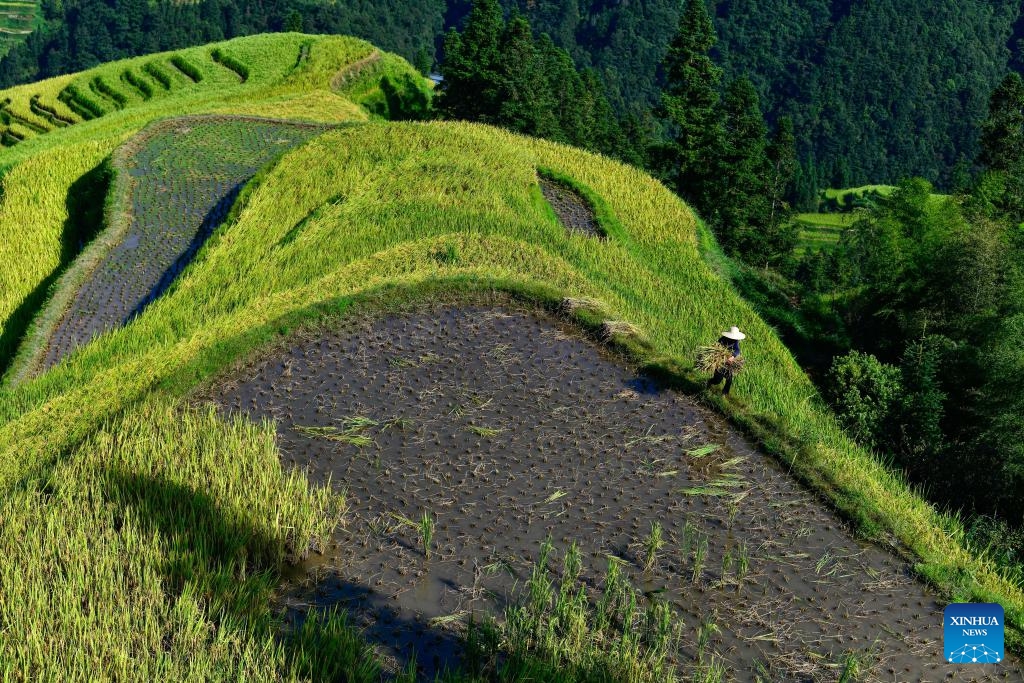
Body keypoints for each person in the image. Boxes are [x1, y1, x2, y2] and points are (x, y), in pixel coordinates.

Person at [707, 326, 745, 395]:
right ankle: (709, 382)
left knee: (729, 380)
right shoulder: (723, 339)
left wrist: (732, 356)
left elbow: (737, 350)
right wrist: (723, 356)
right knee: (717, 380)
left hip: (729, 362)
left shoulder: (735, 341)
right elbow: (717, 347)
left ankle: (724, 394)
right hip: (720, 362)